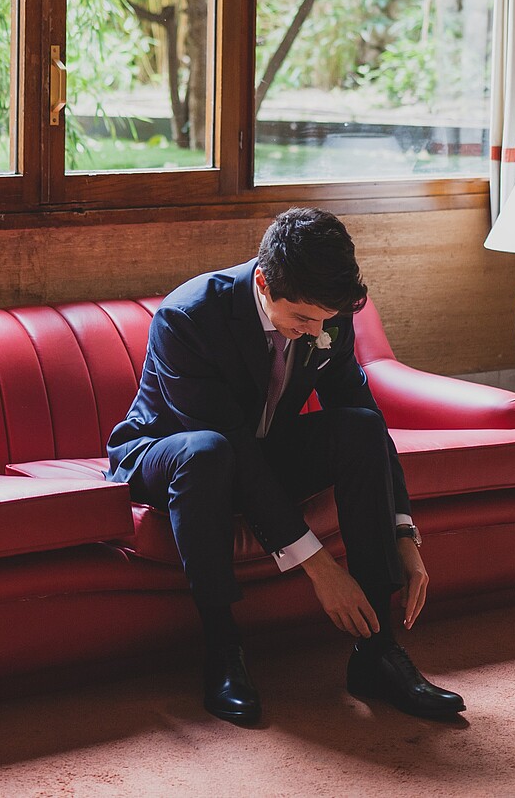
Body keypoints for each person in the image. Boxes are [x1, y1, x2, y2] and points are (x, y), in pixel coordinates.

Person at [107, 207, 465, 725]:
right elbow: (233, 453)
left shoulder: (327, 316)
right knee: (209, 452)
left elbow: (366, 419)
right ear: (262, 283)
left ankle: (378, 653)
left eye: (325, 321)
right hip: (166, 455)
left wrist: (405, 535)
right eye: (301, 319)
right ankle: (223, 650)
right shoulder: (188, 317)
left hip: (252, 450)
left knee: (358, 427)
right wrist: (320, 569)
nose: (315, 331)